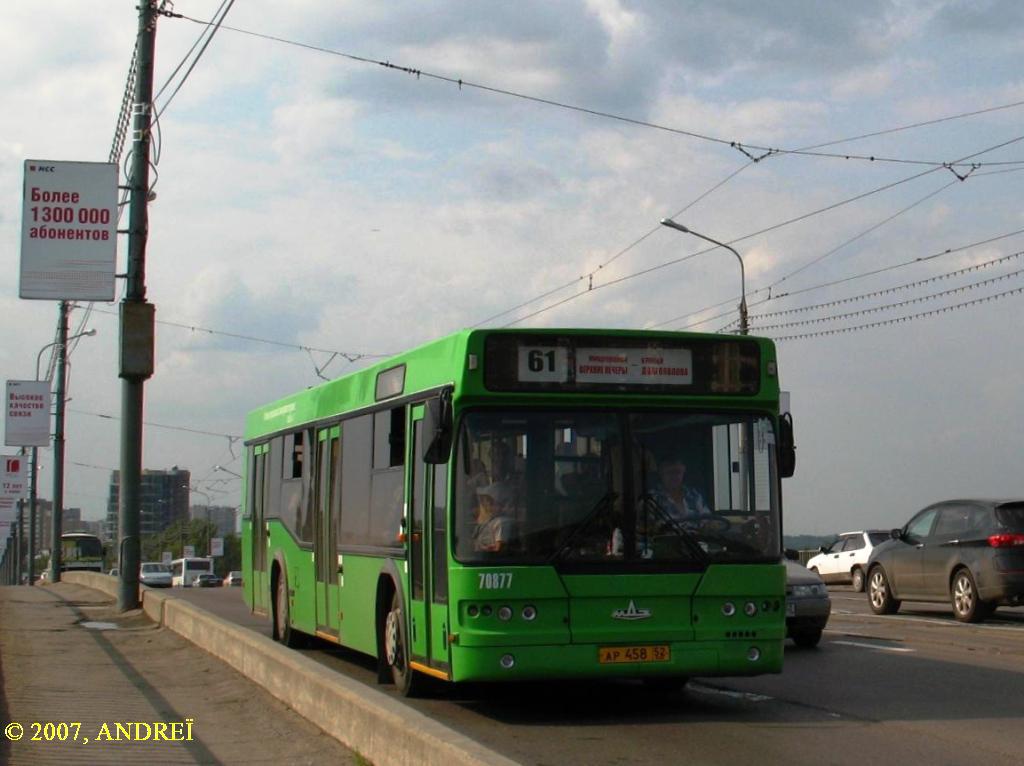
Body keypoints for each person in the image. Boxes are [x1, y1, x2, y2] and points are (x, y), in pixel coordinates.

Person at [472, 483, 515, 553]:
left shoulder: (502, 523)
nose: (485, 505)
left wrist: (484, 549)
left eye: (489, 501)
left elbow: (499, 550)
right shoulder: (489, 521)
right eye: (484, 502)